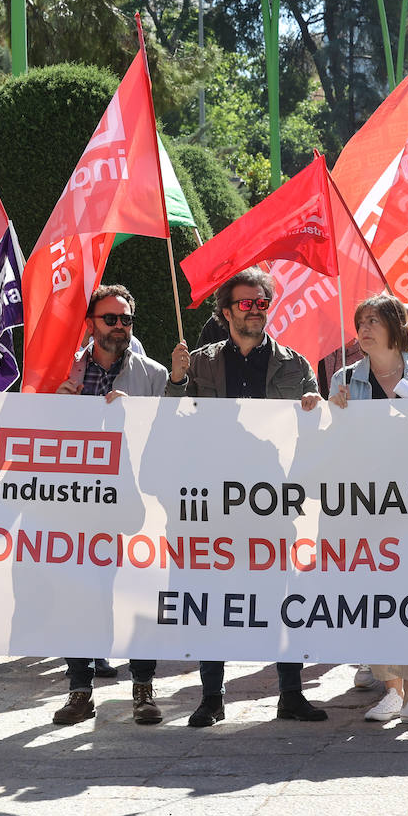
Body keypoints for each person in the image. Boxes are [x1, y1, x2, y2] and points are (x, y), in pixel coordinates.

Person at [166, 268, 327, 727]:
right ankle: (211, 698)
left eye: (261, 302)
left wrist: (316, 409)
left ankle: (290, 693)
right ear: (226, 312)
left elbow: (316, 433)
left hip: (271, 500)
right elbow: (170, 423)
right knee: (213, 598)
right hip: (215, 500)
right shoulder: (199, 364)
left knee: (281, 597)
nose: (255, 310)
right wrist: (176, 380)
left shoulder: (295, 365)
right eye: (245, 303)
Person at [51, 285, 182, 727]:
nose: (120, 327)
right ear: (91, 323)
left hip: (138, 504)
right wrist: (55, 407)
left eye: (126, 320)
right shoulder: (64, 370)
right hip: (79, 504)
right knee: (81, 598)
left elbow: (175, 430)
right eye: (111, 319)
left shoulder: (153, 375)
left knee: (140, 596)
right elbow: (32, 429)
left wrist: (140, 413)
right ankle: (79, 691)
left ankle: (143, 689)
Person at [328, 294, 408, 726]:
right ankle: (392, 691)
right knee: (373, 597)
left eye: (373, 320)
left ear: (396, 327)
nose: (363, 328)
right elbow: (333, 446)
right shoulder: (344, 379)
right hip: (365, 505)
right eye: (360, 321)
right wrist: (329, 413)